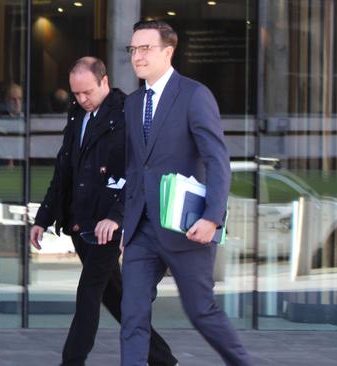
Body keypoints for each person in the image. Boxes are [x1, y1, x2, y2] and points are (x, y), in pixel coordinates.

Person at [118, 20, 252, 366]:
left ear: (168, 51)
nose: (137, 56)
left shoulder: (194, 95)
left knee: (201, 312)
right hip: (141, 232)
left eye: (145, 48)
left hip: (187, 229)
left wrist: (212, 218)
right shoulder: (133, 104)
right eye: (133, 49)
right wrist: (125, 222)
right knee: (131, 315)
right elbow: (135, 168)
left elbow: (217, 160)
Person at [30, 57, 177, 366]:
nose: (82, 99)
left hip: (107, 226)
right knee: (116, 299)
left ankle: (72, 360)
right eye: (76, 94)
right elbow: (64, 171)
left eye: (87, 92)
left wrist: (117, 217)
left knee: (88, 293)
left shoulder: (127, 114)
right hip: (79, 224)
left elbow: (139, 173)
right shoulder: (76, 116)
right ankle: (163, 359)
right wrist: (43, 218)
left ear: (104, 82)